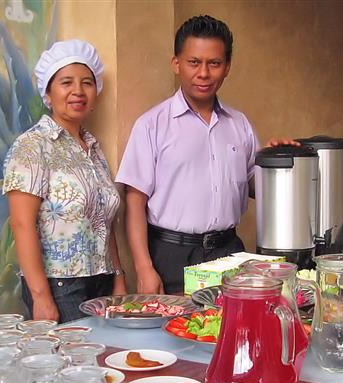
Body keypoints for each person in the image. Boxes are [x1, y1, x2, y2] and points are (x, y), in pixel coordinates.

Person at [116, 15, 294, 295]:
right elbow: (135, 201)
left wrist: (278, 164)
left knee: (231, 331)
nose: (203, 73)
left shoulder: (239, 124)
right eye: (194, 62)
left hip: (230, 254)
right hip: (173, 257)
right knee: (178, 333)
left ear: (227, 67)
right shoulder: (152, 124)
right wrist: (143, 268)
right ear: (176, 64)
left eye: (214, 63)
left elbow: (252, 185)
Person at [3, 39, 126, 323]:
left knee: (106, 363)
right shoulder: (32, 146)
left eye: (87, 82)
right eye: (66, 82)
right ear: (48, 91)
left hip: (103, 281)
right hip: (59, 286)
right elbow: (22, 224)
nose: (78, 91)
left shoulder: (93, 149)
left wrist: (118, 276)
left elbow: (104, 222)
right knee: (75, 363)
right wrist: (41, 297)